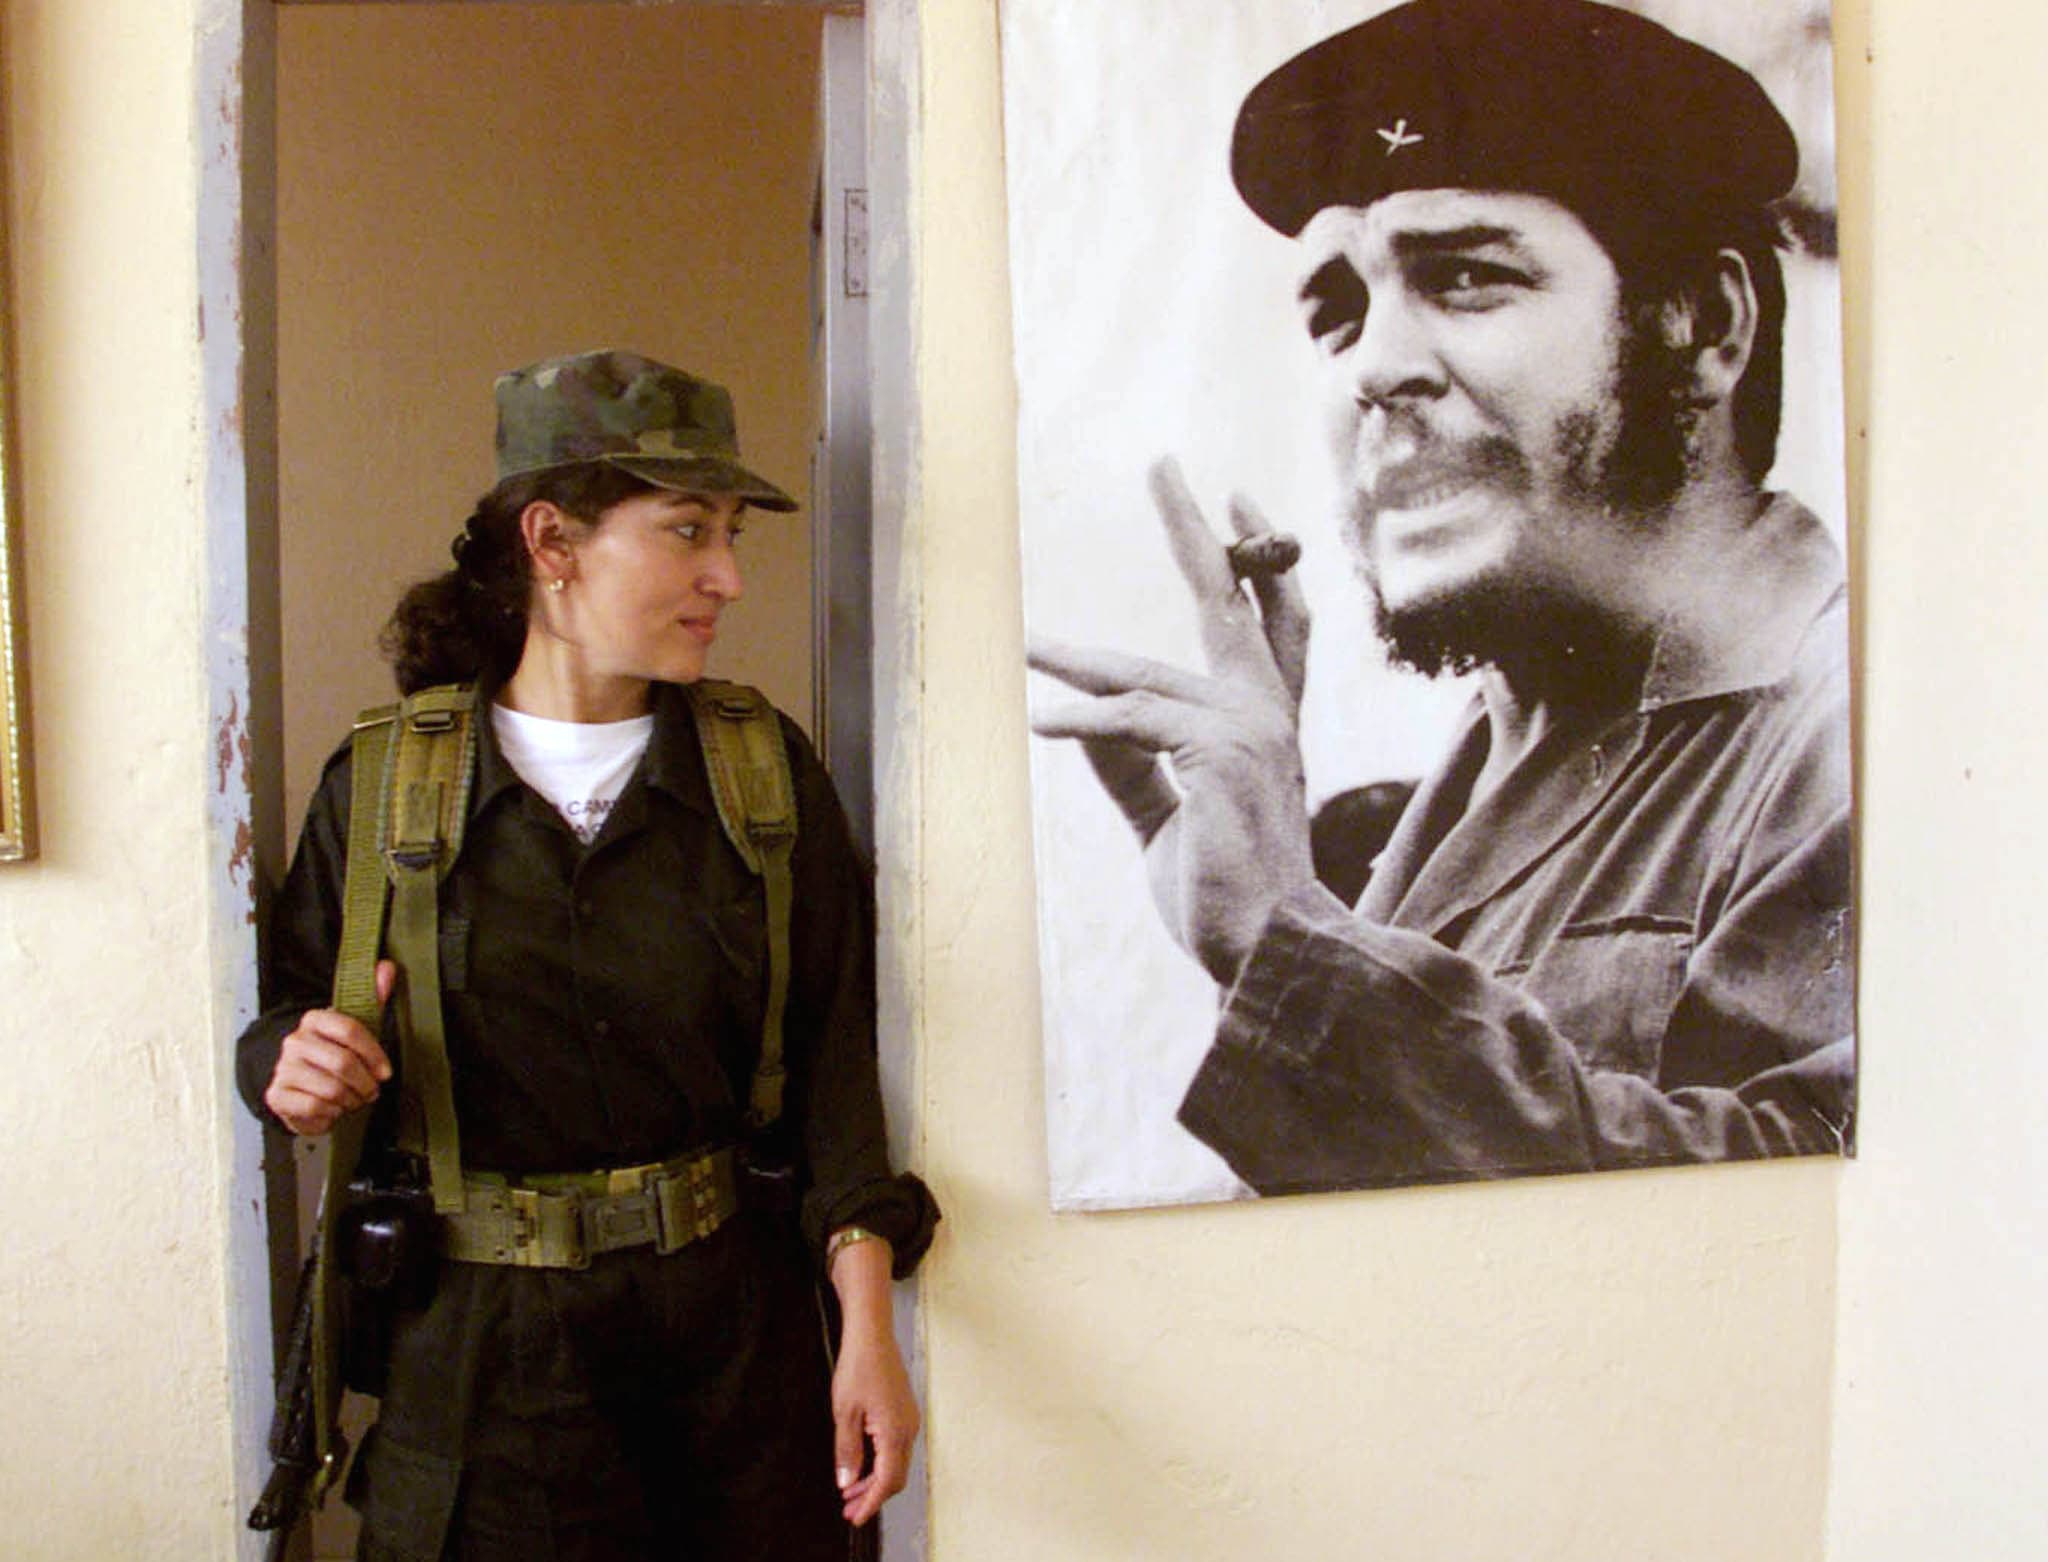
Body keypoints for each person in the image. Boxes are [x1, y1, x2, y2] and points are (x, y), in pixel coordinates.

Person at [1029, 0, 1854, 1195]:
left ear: (1705, 323)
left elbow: (1818, 1211)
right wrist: (1282, 907)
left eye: (1465, 277)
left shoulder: (1863, 730)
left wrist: (1285, 941)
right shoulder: (1427, 805)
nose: (1373, 367)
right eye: (1337, 313)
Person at [238, 348, 937, 1560]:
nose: (724, 574)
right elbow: (289, 1010)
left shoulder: (758, 770)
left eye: (728, 534)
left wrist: (867, 1325)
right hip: (490, 1369)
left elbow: (834, 1060)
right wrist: (288, 1064)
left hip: (735, 1356)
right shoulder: (392, 782)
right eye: (684, 531)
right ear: (552, 542)